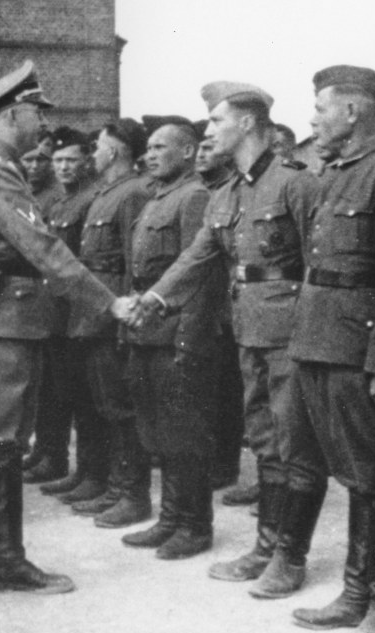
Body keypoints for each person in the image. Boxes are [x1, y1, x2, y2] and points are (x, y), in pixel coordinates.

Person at [0, 60, 129, 610]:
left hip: (7, 316)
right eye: (37, 112)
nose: (42, 124)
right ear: (13, 113)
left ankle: (7, 560)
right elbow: (43, 249)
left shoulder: (0, 165)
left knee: (5, 444)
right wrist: (109, 303)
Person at [128, 85, 325, 581]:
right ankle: (266, 549)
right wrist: (154, 299)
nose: (209, 130)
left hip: (291, 333)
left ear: (247, 124)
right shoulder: (227, 193)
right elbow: (197, 257)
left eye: (216, 121)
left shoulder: (296, 184)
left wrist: (311, 336)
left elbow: (319, 267)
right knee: (263, 439)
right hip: (248, 330)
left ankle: (289, 557)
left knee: (293, 443)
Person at [289, 66, 375, 633]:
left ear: (353, 112)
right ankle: (354, 593)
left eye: (321, 107)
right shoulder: (331, 174)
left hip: (354, 348)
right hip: (316, 341)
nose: (313, 118)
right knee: (353, 479)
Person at [120, 117, 220, 559]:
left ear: (186, 153)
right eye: (149, 147)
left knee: (185, 435)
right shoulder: (155, 198)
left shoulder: (195, 196)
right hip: (147, 332)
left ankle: (195, 525)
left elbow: (200, 276)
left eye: (162, 147)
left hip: (176, 336)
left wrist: (188, 341)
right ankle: (170, 518)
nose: (150, 153)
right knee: (158, 432)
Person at [65, 119, 154, 529]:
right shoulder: (106, 192)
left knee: (121, 408)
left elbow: (137, 261)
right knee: (104, 404)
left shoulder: (133, 192)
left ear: (115, 151)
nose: (94, 153)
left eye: (99, 146)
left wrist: (127, 320)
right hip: (95, 310)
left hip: (113, 312)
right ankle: (113, 486)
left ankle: (131, 494)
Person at [25, 127, 111, 495]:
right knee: (61, 391)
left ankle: (92, 472)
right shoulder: (60, 201)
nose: (62, 166)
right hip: (55, 312)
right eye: (58, 160)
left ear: (87, 162)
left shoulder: (92, 199)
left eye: (71, 160)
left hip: (80, 310)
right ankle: (67, 463)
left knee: (87, 398)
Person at [194, 136, 245, 493]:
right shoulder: (206, 192)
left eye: (208, 147)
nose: (201, 154)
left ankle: (226, 463)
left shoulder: (230, 190)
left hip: (230, 306)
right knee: (209, 391)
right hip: (208, 306)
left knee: (229, 390)